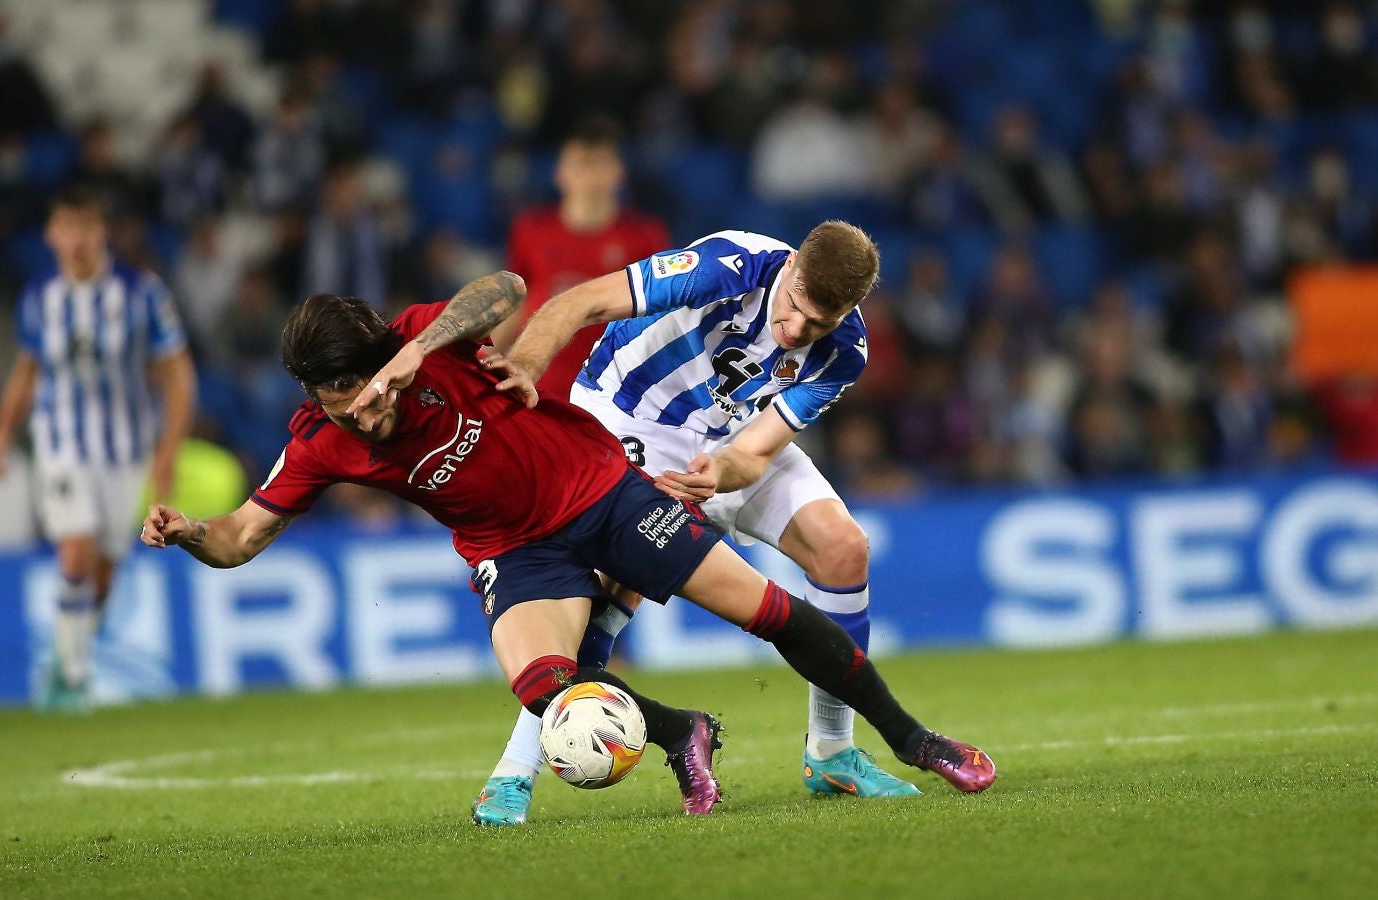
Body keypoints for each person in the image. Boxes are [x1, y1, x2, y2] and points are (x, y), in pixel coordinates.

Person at [141, 274, 995, 821]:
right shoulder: (322, 441)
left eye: (365, 395)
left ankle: (914, 741)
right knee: (544, 680)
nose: (361, 416)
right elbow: (241, 537)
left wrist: (418, 352)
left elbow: (505, 290)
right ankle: (681, 730)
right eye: (339, 406)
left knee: (768, 611)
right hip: (515, 552)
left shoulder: (426, 340)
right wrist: (188, 535)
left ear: (382, 357)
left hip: (604, 492)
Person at [465, 220, 941, 825]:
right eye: (794, 306)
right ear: (791, 266)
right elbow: (579, 301)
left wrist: (724, 469)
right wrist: (527, 364)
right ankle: (512, 776)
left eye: (818, 324)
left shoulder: (844, 349)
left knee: (842, 548)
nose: (797, 330)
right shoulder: (726, 267)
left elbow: (758, 452)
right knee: (606, 597)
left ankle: (832, 752)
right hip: (624, 421)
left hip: (726, 442)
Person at [0, 188, 196, 712]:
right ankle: (73, 681)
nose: (76, 239)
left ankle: (66, 657)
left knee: (103, 571)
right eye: (66, 228)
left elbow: (178, 374)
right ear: (51, 235)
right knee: (75, 552)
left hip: (125, 450)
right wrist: (1, 432)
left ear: (101, 231)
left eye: (85, 227)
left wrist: (168, 448)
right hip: (60, 442)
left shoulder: (143, 293)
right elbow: (27, 370)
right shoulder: (40, 296)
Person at [492, 116, 670, 400]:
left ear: (618, 171)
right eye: (580, 163)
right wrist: (485, 359)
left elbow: (661, 316)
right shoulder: (531, 229)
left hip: (614, 393)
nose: (589, 174)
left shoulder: (644, 236)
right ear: (560, 172)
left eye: (599, 162)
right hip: (541, 387)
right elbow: (515, 302)